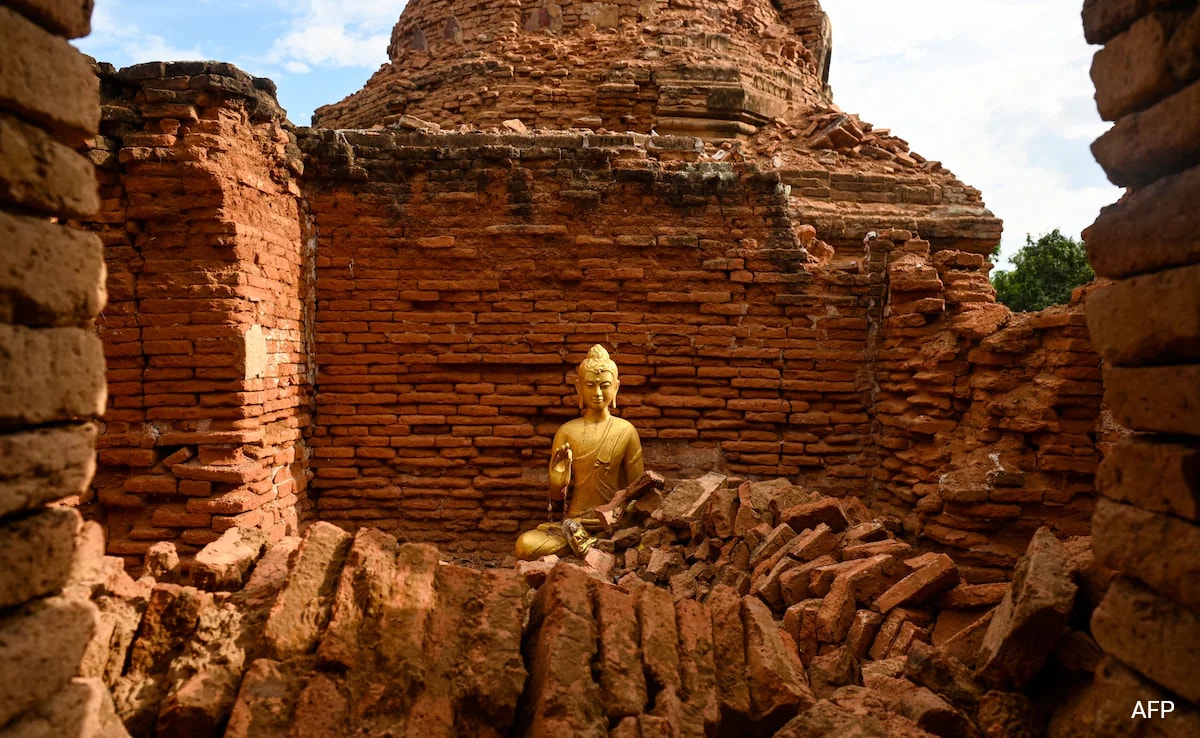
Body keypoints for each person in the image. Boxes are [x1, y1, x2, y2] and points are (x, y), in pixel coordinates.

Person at [514, 345, 644, 560]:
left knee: (637, 542)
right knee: (525, 545)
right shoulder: (567, 431)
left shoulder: (626, 430)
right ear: (579, 388)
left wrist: (615, 516)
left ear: (617, 388)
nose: (598, 393)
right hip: (574, 524)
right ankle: (595, 547)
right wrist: (558, 480)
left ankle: (595, 545)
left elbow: (639, 490)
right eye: (590, 386)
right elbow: (557, 498)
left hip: (613, 524)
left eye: (605, 386)